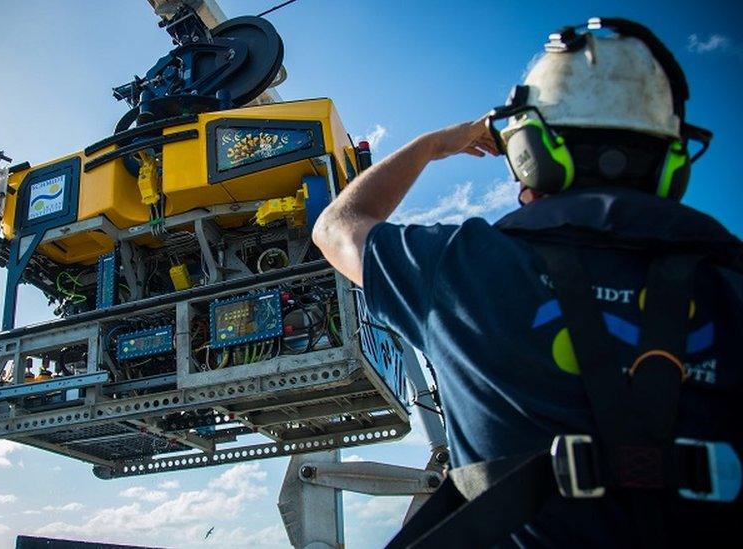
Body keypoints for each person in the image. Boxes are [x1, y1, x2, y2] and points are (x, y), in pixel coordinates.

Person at [312, 17, 741, 548]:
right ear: (672, 164)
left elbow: (335, 230)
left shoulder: (460, 268)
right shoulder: (732, 284)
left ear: (532, 155)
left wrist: (430, 146)